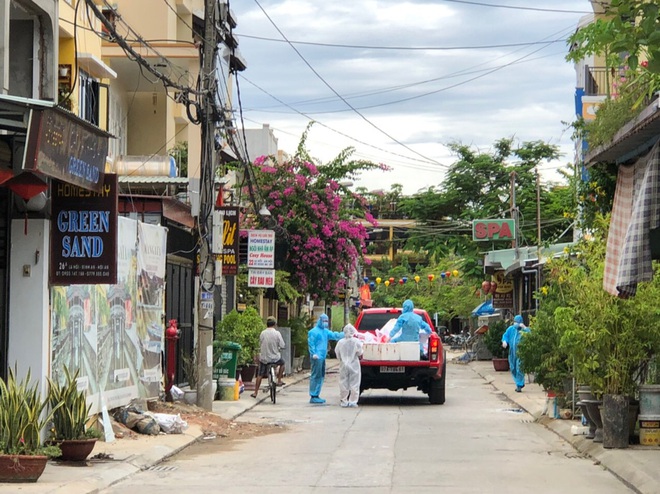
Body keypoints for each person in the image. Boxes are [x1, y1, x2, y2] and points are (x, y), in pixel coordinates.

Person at [308, 313, 343, 404]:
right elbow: (311, 344)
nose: (325, 323)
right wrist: (313, 353)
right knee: (316, 375)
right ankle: (313, 395)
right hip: (316, 357)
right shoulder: (313, 332)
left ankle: (316, 394)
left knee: (321, 375)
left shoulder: (325, 332)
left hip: (322, 357)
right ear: (320, 320)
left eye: (326, 321)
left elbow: (335, 335)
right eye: (324, 321)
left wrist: (344, 334)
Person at [250, 316, 286, 398]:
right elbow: (282, 345)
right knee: (283, 363)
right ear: (275, 324)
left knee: (260, 374)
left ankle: (255, 392)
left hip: (264, 358)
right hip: (275, 358)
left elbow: (260, 343)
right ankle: (279, 380)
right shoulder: (277, 333)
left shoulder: (263, 333)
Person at [335, 324, 364, 408]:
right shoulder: (357, 341)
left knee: (343, 383)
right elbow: (360, 352)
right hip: (354, 364)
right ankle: (353, 401)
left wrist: (342, 359)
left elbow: (337, 353)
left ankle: (344, 401)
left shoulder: (340, 342)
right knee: (355, 383)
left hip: (344, 364)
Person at [501, 314, 531, 392]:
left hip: (521, 352)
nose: (515, 323)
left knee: (519, 367)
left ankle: (519, 384)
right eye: (515, 321)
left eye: (517, 322)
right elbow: (505, 336)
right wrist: (505, 342)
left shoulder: (524, 330)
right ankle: (518, 383)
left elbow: (531, 335)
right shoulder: (511, 329)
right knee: (513, 368)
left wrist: (524, 327)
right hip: (512, 353)